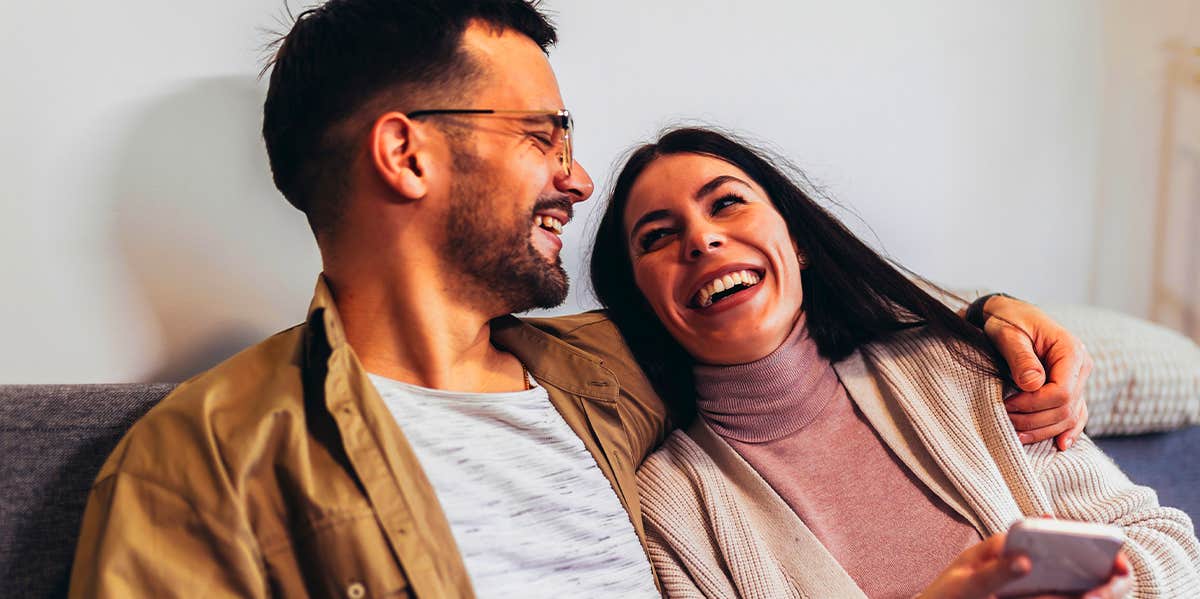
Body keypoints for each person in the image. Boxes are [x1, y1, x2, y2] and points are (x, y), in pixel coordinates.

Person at [69, 2, 1094, 597]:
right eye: (541, 136)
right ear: (406, 151)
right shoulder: (203, 455)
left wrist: (996, 313)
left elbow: (795, 296)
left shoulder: (607, 364)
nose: (578, 177)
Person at [589, 126, 1200, 598]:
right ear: (642, 302)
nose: (700, 239)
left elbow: (1169, 546)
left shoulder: (952, 368)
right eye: (657, 236)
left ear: (796, 242)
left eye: (725, 204)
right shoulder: (671, 506)